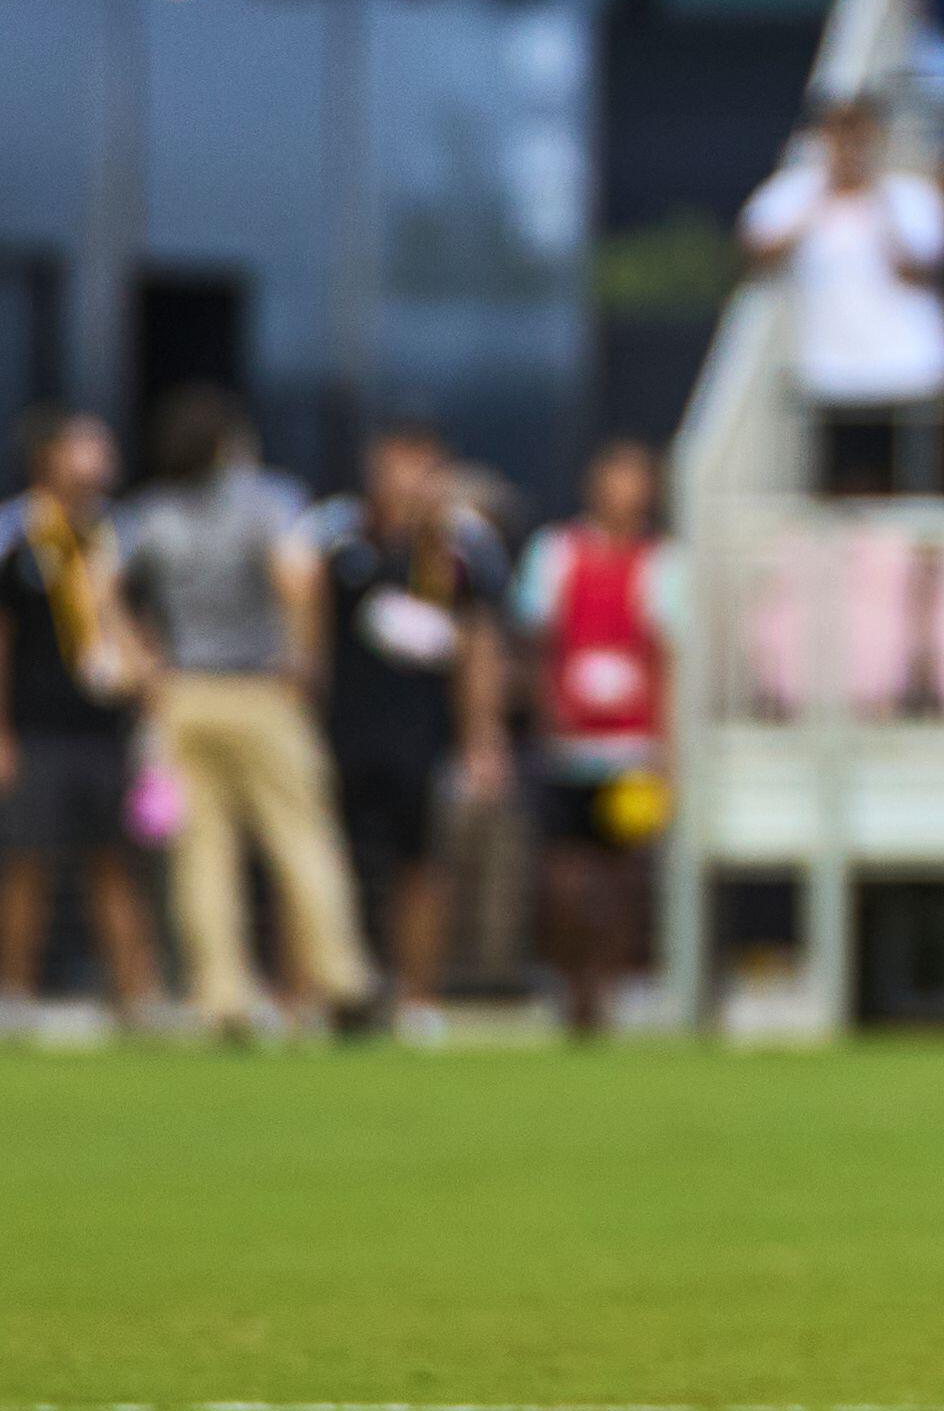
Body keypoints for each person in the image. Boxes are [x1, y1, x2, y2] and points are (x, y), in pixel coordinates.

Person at [122, 387, 373, 1032]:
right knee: (300, 837)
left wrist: (140, 662)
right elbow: (297, 577)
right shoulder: (267, 501)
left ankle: (222, 995)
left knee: (202, 853)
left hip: (183, 695)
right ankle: (340, 979)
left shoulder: (152, 515)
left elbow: (105, 585)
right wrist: (306, 658)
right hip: (260, 689)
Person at [307, 423, 513, 1044]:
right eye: (399, 463)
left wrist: (483, 738)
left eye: (424, 466)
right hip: (344, 725)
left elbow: (479, 647)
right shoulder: (340, 538)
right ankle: (317, 990)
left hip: (421, 731)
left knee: (419, 866)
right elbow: (309, 634)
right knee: (323, 863)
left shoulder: (461, 549)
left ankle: (417, 996)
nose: (410, 479)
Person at [0, 409, 162, 1031]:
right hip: (38, 727)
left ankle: (135, 995)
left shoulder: (123, 536)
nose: (101, 457)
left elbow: (147, 631)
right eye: (85, 446)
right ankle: (15, 992)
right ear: (50, 458)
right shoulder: (18, 535)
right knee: (26, 861)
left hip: (107, 729)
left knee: (117, 863)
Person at [518, 439, 675, 1036]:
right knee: (564, 872)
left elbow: (670, 656)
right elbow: (538, 645)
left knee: (623, 875)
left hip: (632, 747)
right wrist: (546, 718)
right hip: (569, 745)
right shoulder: (556, 554)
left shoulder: (662, 564)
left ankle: (607, 989)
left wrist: (668, 748)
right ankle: (570, 985)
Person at [740, 96, 944, 494]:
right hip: (830, 369)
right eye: (838, 133)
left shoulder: (908, 196)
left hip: (904, 368)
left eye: (856, 133)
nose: (847, 145)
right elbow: (758, 254)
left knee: (904, 489)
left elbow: (920, 268)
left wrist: (874, 199)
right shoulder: (795, 193)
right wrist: (820, 197)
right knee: (837, 491)